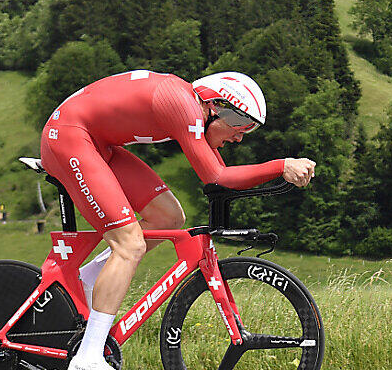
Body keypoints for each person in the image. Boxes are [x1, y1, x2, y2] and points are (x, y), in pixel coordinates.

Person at [39, 70, 316, 370]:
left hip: (97, 143)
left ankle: (90, 278)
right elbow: (217, 176)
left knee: (168, 217)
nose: (239, 136)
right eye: (240, 125)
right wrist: (281, 165)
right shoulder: (180, 103)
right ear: (215, 106)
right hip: (69, 137)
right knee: (129, 244)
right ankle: (88, 358)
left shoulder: (190, 106)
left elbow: (219, 176)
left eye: (248, 130)